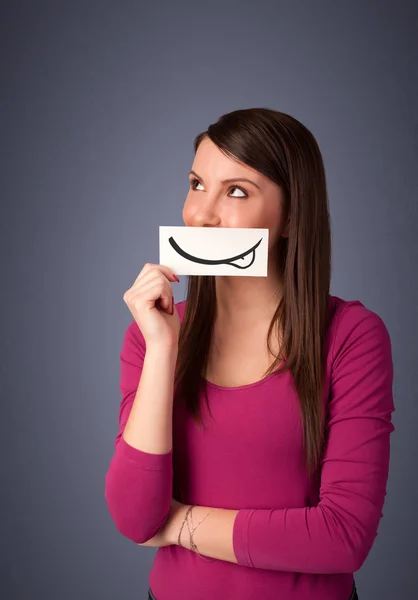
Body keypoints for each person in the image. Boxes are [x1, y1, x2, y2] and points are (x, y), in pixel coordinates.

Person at [104, 108, 395, 600]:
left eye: (236, 191)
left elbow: (343, 536)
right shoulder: (154, 337)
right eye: (197, 184)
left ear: (290, 218)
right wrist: (162, 349)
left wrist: (180, 526)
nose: (201, 214)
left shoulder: (351, 337)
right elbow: (135, 518)